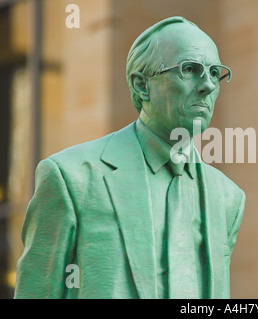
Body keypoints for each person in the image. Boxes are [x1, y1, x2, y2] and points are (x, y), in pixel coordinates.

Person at [14, 16, 245, 299]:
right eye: (190, 69)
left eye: (214, 73)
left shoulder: (228, 199)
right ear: (141, 85)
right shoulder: (71, 177)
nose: (207, 85)